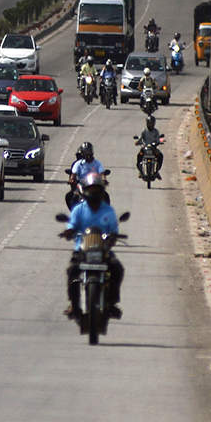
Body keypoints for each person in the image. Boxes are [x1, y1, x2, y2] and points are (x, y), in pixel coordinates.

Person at [62, 172, 124, 319]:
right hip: (82, 250)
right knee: (72, 272)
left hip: (103, 251)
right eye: (91, 190)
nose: (93, 193)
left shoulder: (108, 210)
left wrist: (112, 237)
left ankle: (112, 302)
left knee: (117, 269)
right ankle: (74, 304)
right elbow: (71, 225)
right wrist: (69, 231)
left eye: (96, 190)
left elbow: (114, 230)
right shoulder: (78, 209)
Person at [136, 114, 164, 179]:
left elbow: (158, 139)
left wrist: (160, 142)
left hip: (153, 148)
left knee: (160, 156)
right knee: (139, 156)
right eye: (149, 123)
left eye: (151, 123)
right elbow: (141, 138)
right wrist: (138, 142)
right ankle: (140, 171)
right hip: (144, 148)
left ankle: (157, 171)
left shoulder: (156, 131)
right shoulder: (144, 131)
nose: (150, 124)